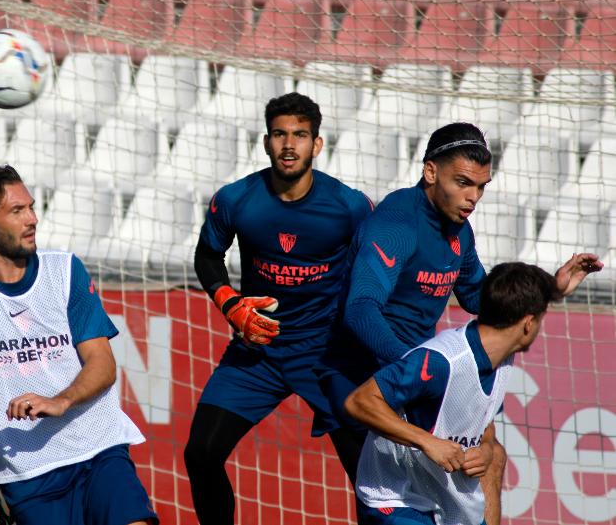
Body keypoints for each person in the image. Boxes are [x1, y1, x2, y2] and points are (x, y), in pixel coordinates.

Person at [318, 122, 603, 523]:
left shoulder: (459, 232)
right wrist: (413, 366)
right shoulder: (396, 224)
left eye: (481, 186)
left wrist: (549, 289)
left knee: (489, 459)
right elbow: (361, 309)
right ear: (431, 172)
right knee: (389, 500)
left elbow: (481, 298)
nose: (473, 197)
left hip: (418, 377)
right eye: (464, 182)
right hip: (363, 378)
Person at [0, 165, 157, 525]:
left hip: (98, 449)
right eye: (17, 211)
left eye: (31, 207)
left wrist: (60, 401)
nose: (32, 219)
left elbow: (103, 365)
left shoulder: (65, 272)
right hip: (27, 472)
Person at [183, 92, 374, 524]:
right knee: (200, 453)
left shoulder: (349, 207)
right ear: (266, 141)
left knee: (368, 476)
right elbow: (207, 256)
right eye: (280, 134)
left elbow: (378, 268)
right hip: (257, 351)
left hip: (327, 356)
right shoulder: (236, 199)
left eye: (300, 135)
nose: (290, 145)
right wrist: (229, 303)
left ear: (317, 144)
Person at [344, 262, 576, 525]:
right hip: (397, 497)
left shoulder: (502, 356)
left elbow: (483, 422)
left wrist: (486, 449)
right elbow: (359, 401)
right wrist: (427, 442)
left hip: (448, 501)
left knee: (495, 456)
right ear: (527, 324)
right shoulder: (442, 360)